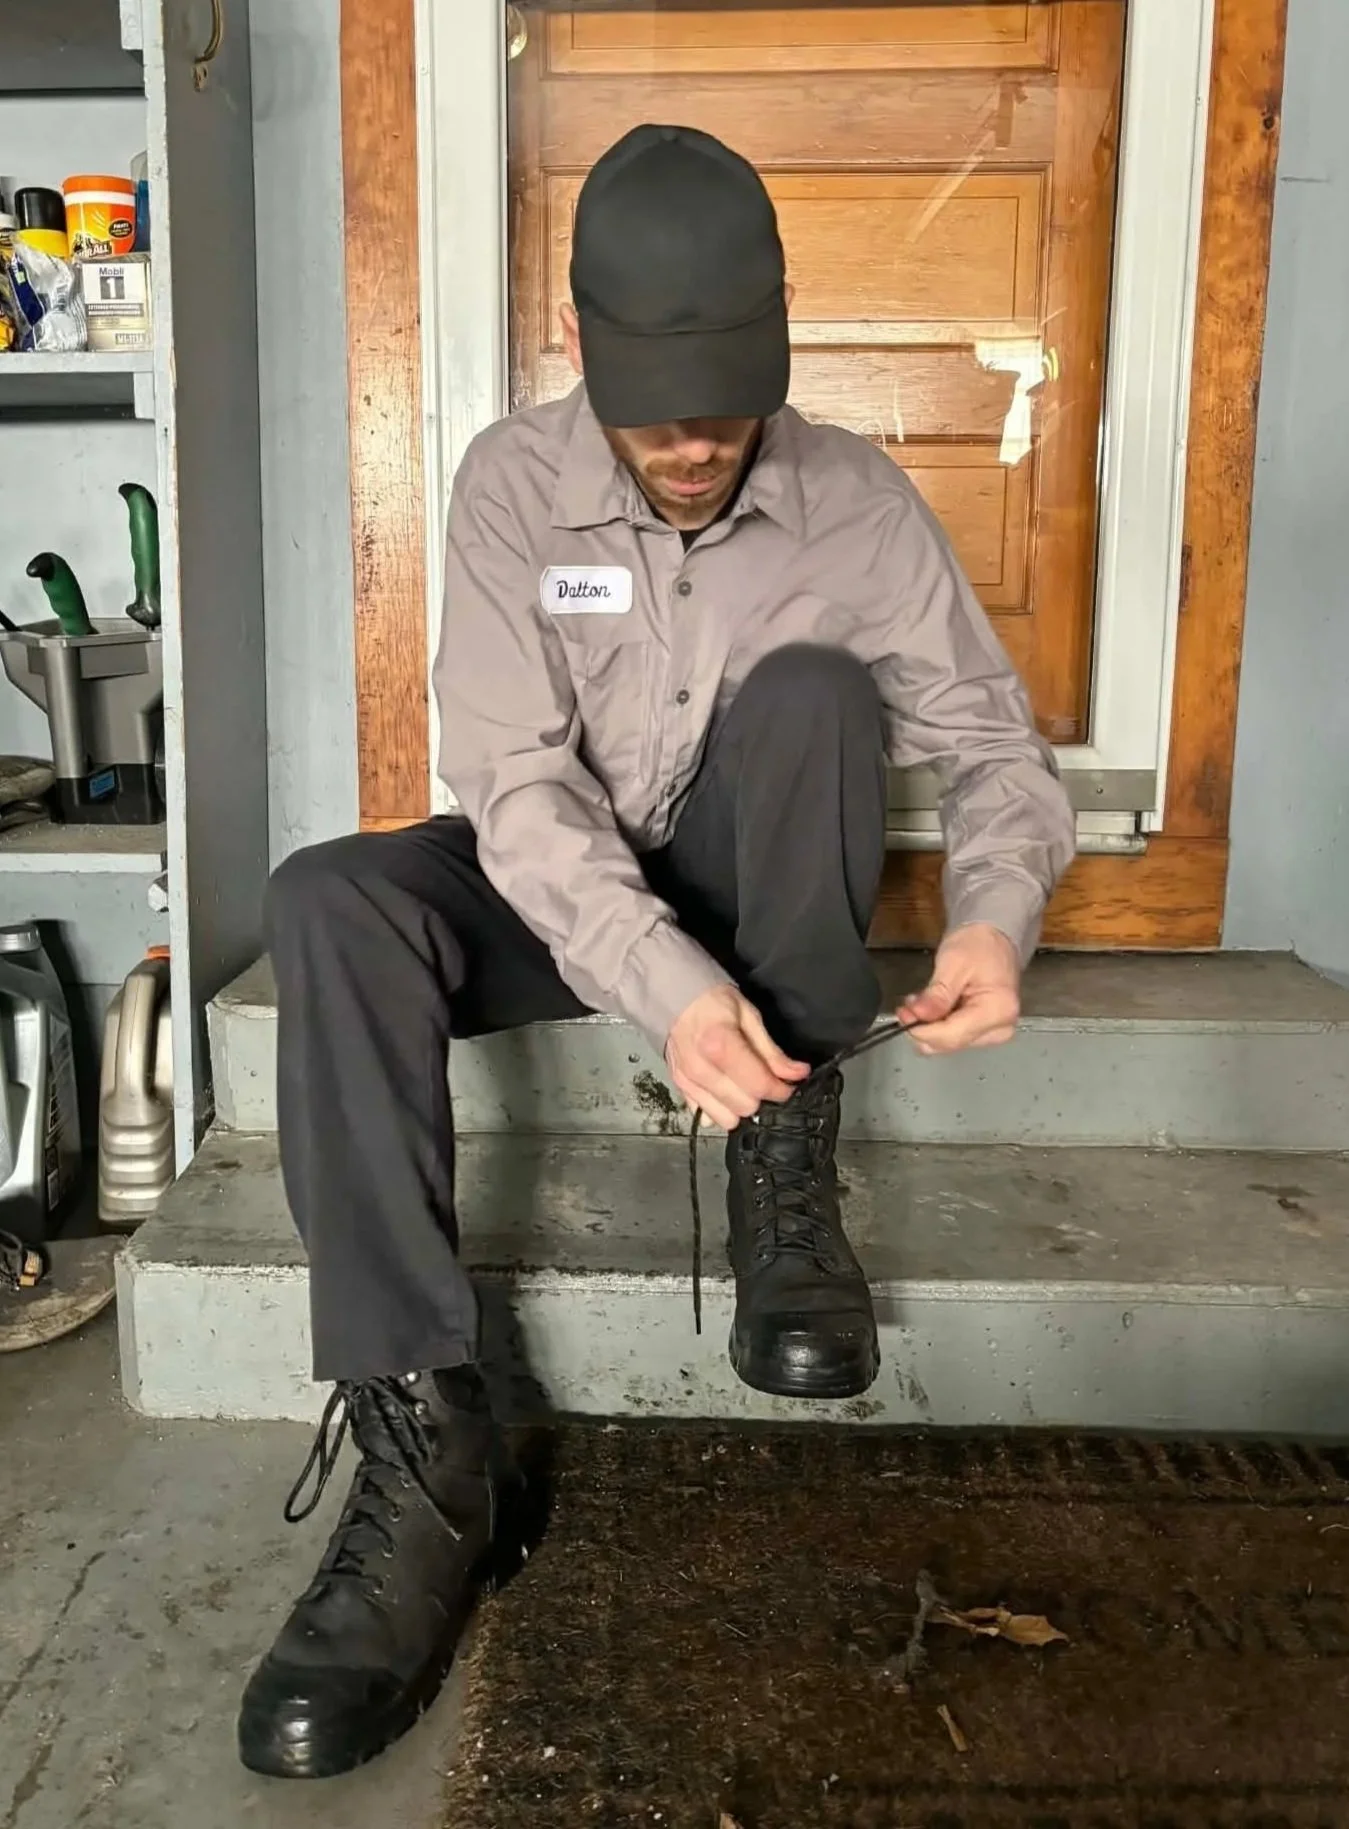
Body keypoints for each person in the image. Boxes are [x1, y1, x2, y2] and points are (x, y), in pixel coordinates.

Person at [237, 124, 1075, 1780]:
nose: (693, 446)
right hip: (572, 888)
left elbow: (991, 747)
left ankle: (786, 1169)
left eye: (725, 402)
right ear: (580, 350)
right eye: (652, 409)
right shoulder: (505, 486)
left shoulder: (857, 498)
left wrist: (996, 917)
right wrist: (668, 984)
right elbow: (520, 787)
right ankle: (428, 1443)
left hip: (752, 887)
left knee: (822, 695)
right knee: (329, 897)